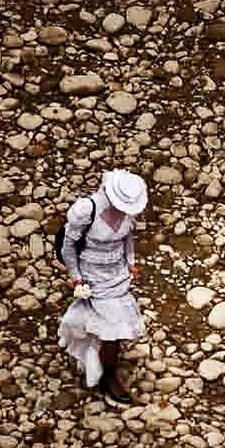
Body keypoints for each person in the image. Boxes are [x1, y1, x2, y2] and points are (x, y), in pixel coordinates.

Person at [58, 170, 147, 405]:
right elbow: (69, 246)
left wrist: (131, 263)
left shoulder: (128, 215)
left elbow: (128, 239)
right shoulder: (87, 210)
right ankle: (107, 374)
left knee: (109, 322)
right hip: (92, 275)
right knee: (112, 327)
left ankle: (98, 359)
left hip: (118, 275)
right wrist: (76, 277)